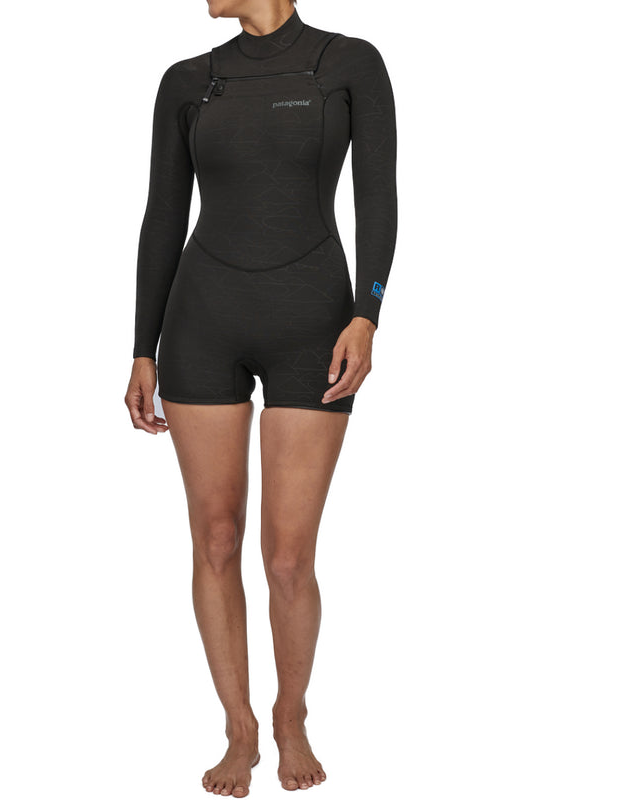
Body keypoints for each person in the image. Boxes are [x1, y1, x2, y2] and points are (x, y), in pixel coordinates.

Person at [124, 0, 397, 794]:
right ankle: (239, 725)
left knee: (286, 557)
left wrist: (368, 313)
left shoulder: (349, 62)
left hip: (314, 324)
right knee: (214, 538)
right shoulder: (187, 80)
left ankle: (291, 715)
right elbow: (163, 216)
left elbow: (377, 196)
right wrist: (142, 347)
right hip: (200, 323)